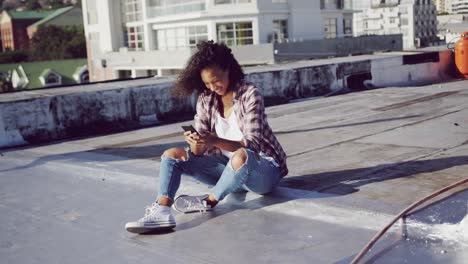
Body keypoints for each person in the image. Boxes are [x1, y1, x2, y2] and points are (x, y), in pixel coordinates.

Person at [125, 41, 288, 234]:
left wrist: (214, 140)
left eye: (216, 80)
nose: (212, 87)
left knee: (242, 156)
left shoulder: (250, 94)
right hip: (227, 174)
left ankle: (208, 201)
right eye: (207, 83)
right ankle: (162, 210)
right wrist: (197, 142)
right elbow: (199, 154)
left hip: (261, 171)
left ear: (228, 69)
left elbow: (252, 146)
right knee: (173, 154)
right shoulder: (206, 99)